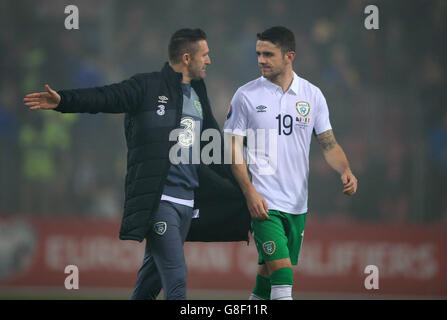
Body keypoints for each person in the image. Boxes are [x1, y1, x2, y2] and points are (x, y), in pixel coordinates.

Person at [23, 28, 250, 300]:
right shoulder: (147, 87)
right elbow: (106, 97)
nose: (209, 60)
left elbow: (214, 152)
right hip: (160, 202)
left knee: (148, 287)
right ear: (187, 58)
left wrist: (246, 189)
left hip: (186, 205)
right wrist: (64, 101)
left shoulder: (199, 97)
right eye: (205, 55)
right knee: (176, 277)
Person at [224, 26, 358, 300]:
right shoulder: (246, 95)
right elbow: (232, 150)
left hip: (297, 205)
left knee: (265, 281)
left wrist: (346, 169)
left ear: (289, 56)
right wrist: (250, 192)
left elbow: (329, 144)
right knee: (283, 279)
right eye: (259, 53)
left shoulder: (312, 96)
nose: (261, 60)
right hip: (264, 204)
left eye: (268, 54)